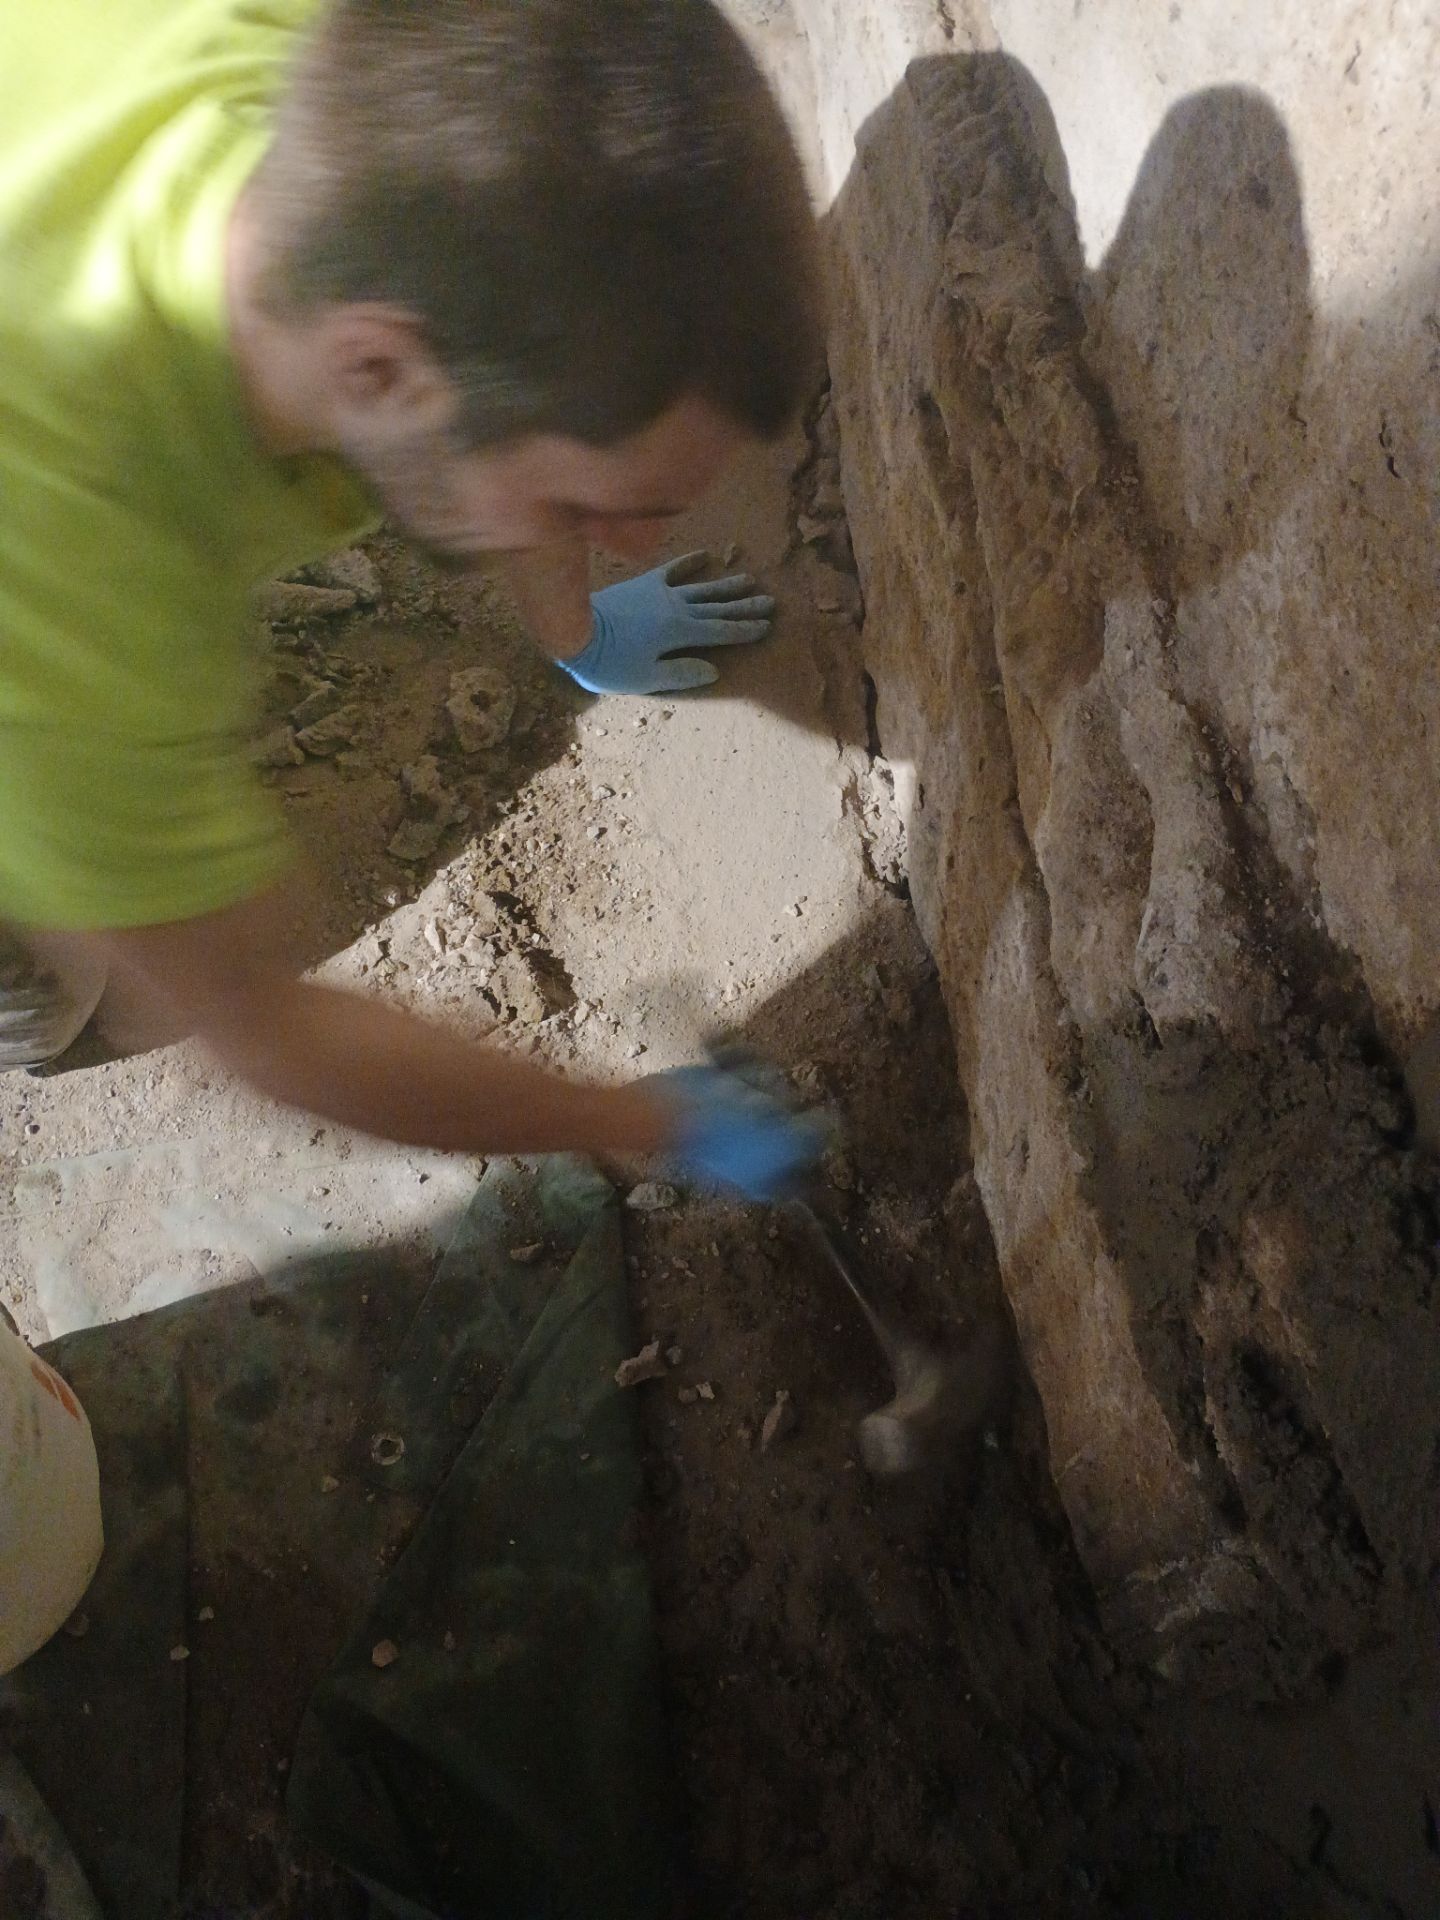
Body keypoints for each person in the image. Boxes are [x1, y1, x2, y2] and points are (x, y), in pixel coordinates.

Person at [0, 0, 826, 1193]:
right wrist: (637, 1118)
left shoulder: (371, 72)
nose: (634, 542)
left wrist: (577, 629)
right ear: (376, 368)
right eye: (581, 506)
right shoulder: (78, 605)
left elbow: (510, 357)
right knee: (74, 978)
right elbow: (269, 1028)